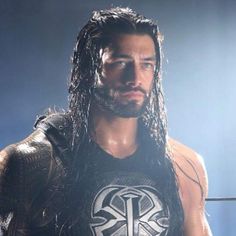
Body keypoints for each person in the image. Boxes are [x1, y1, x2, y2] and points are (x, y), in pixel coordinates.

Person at [0, 7, 212, 236]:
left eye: (146, 65)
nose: (135, 78)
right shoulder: (30, 163)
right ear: (89, 69)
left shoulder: (184, 166)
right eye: (120, 63)